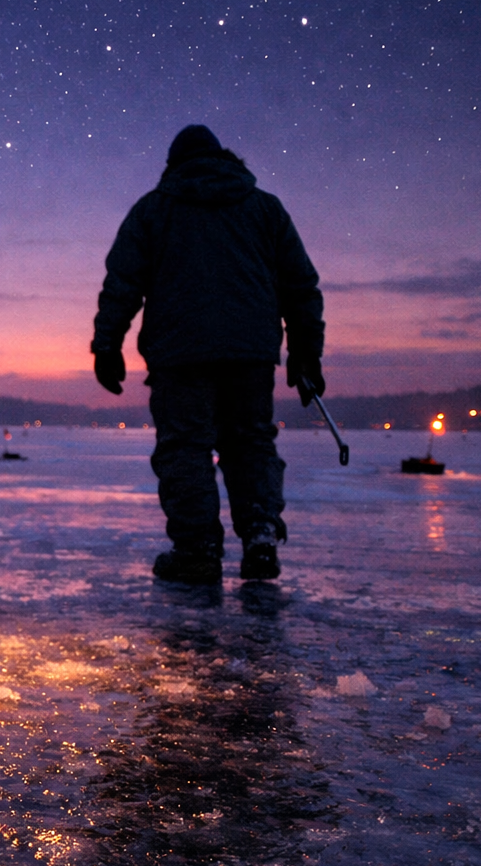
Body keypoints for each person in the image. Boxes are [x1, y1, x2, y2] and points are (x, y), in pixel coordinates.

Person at [92, 125, 324, 583]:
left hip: (181, 354)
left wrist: (107, 345)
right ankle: (259, 535)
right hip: (250, 353)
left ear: (173, 164)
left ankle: (197, 549)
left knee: (185, 447)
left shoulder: (154, 211)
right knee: (250, 441)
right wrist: (305, 352)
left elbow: (122, 284)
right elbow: (299, 286)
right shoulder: (264, 209)